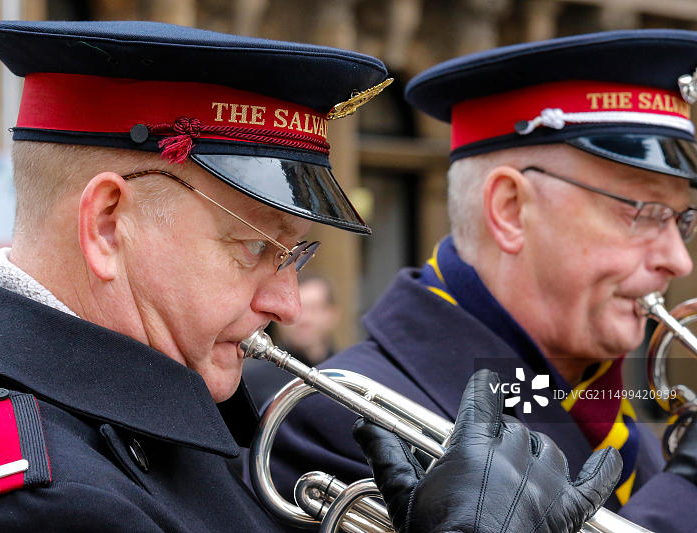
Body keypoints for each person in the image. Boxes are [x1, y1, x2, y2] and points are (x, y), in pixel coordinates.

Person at [0, 20, 620, 533]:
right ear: (108, 224)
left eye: (294, 254)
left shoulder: (171, 404)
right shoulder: (39, 501)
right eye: (253, 247)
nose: (283, 300)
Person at [270, 29, 697, 533]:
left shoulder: (624, 423)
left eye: (683, 220)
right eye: (643, 212)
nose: (678, 260)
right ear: (511, 210)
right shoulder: (344, 419)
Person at [243, 274, 339, 410]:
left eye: (313, 308)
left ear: (332, 314)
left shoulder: (349, 371)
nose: (305, 320)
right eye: (298, 309)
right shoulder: (250, 379)